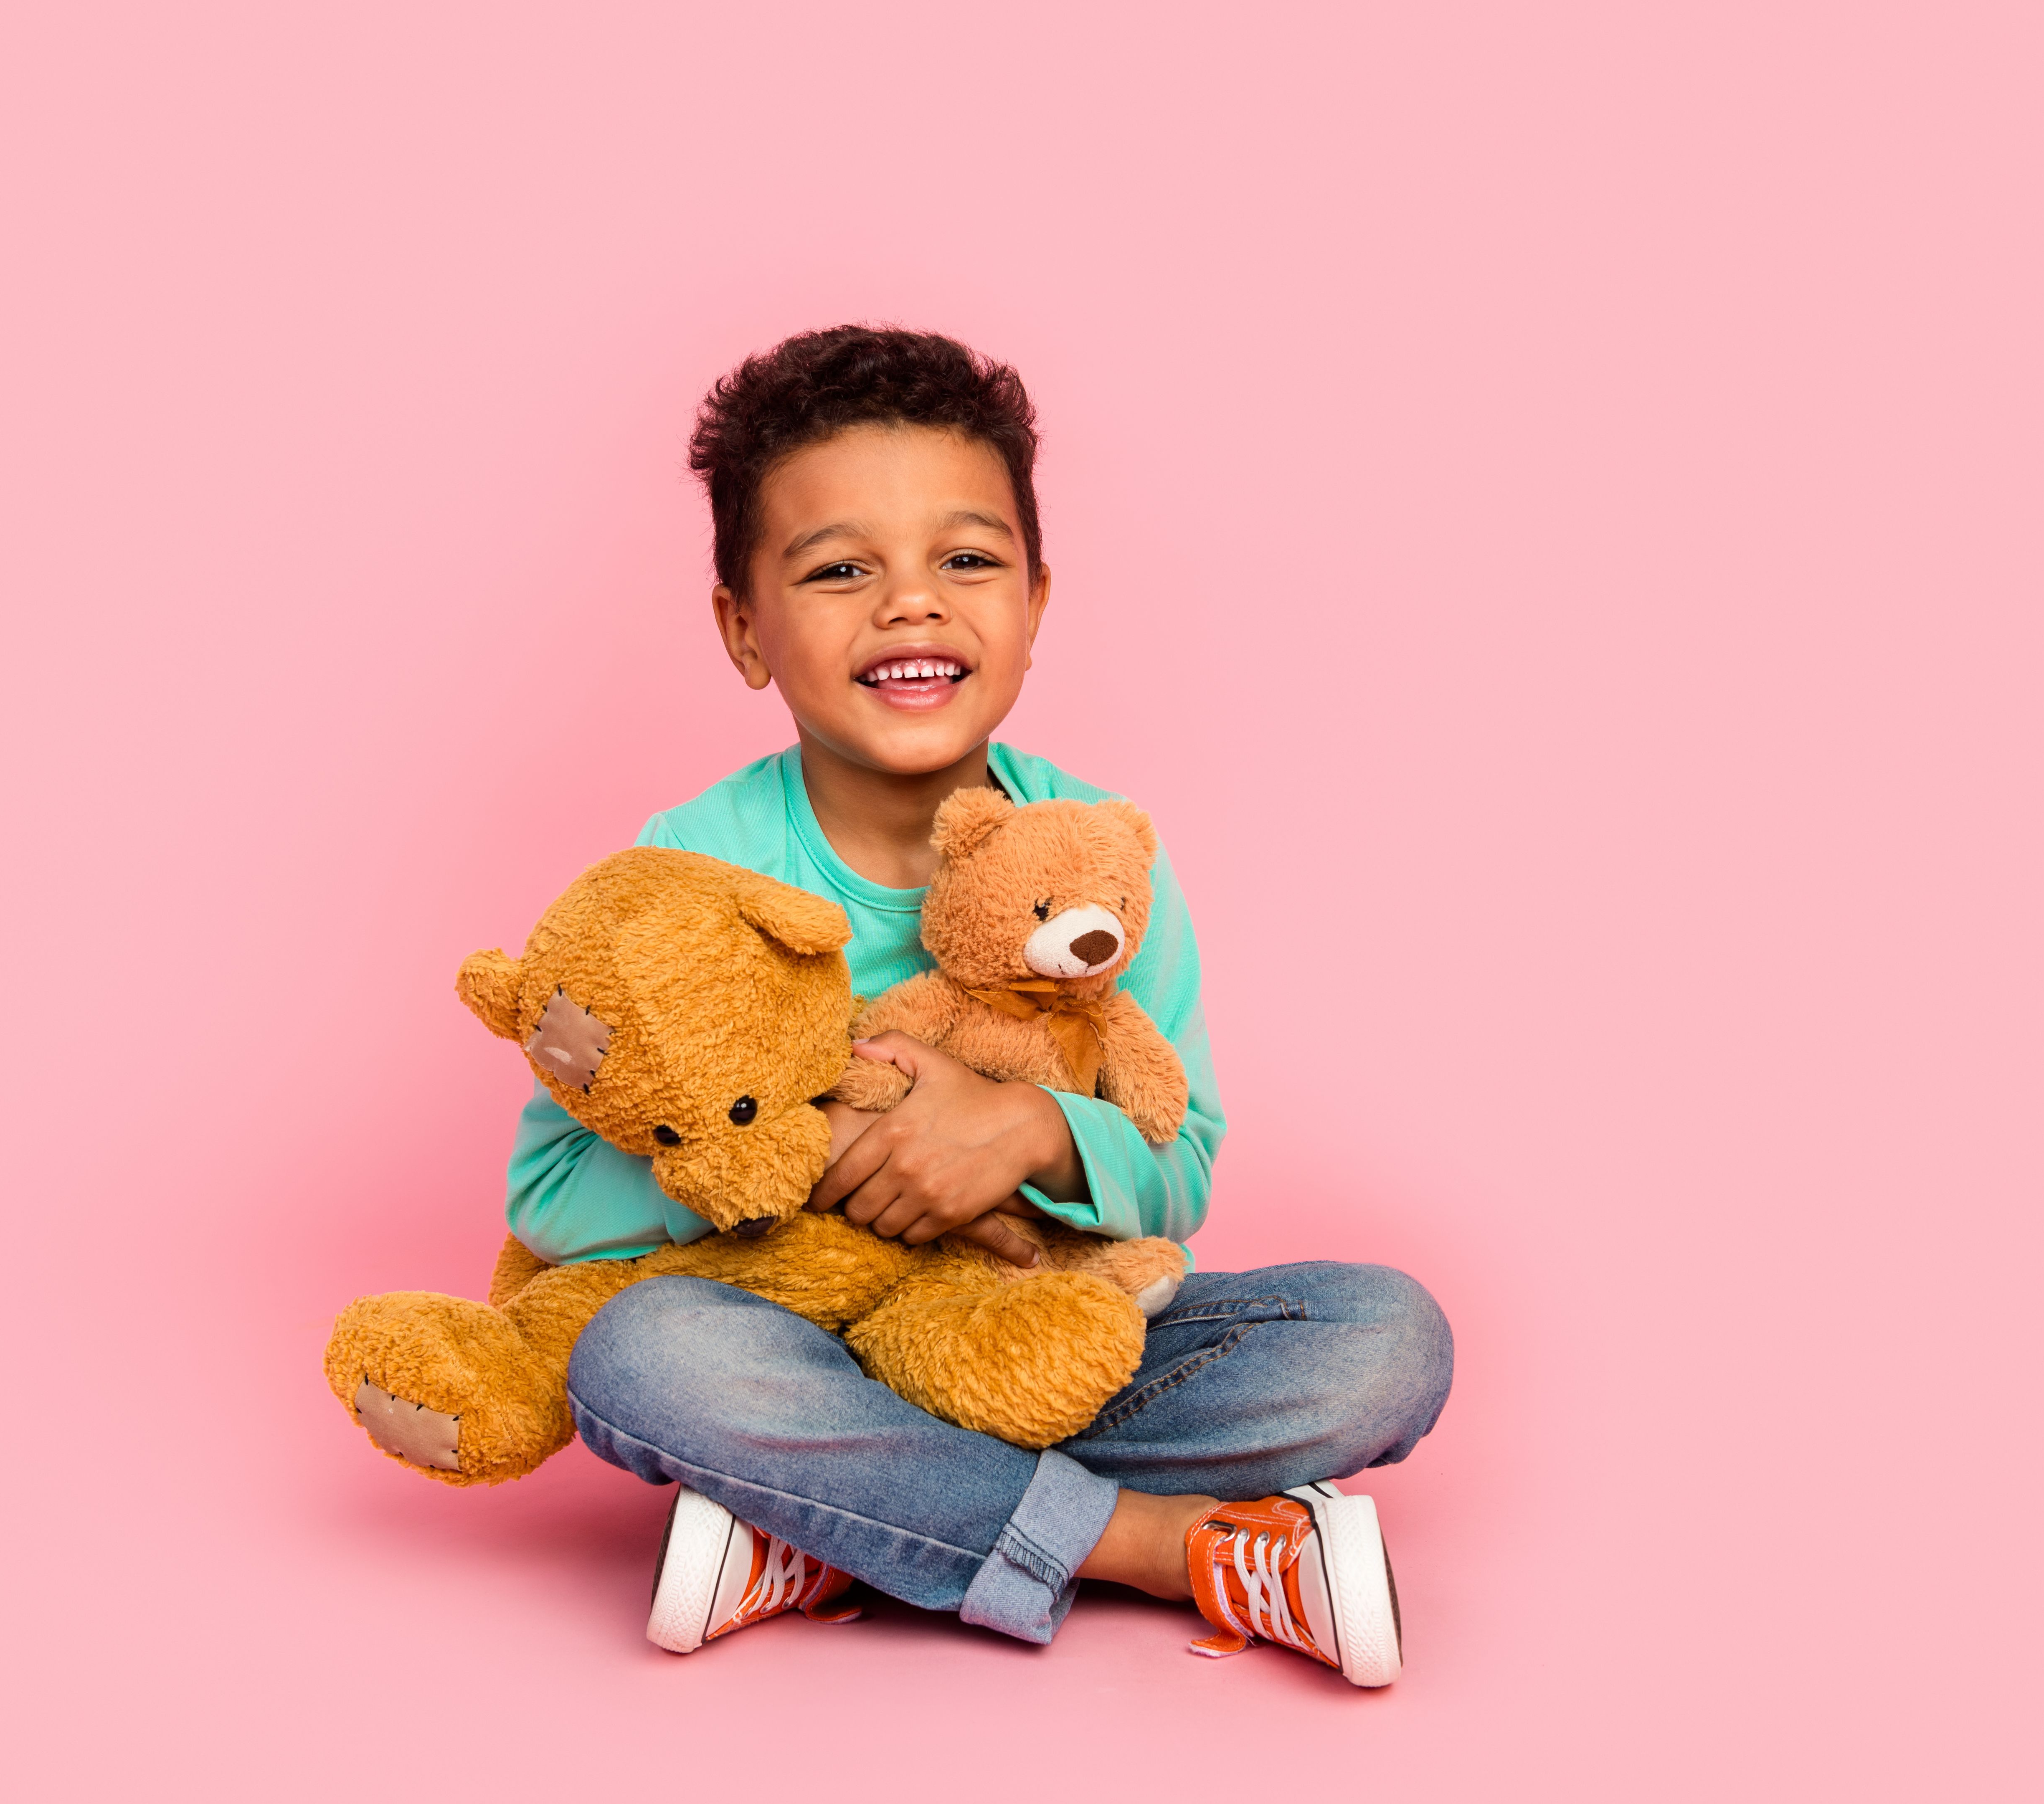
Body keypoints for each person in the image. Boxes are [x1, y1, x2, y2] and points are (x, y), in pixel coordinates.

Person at [536, 325, 1452, 1686]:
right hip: (800, 1336)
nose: (911, 605)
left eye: (966, 560)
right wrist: (797, 1157)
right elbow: (554, 1195)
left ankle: (835, 1526)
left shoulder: (1096, 857)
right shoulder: (682, 870)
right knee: (636, 1356)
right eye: (841, 569)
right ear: (744, 629)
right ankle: (1160, 1543)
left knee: (1382, 1339)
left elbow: (1180, 1161)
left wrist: (1028, 1131)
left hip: (1037, 1326)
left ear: (1034, 598)